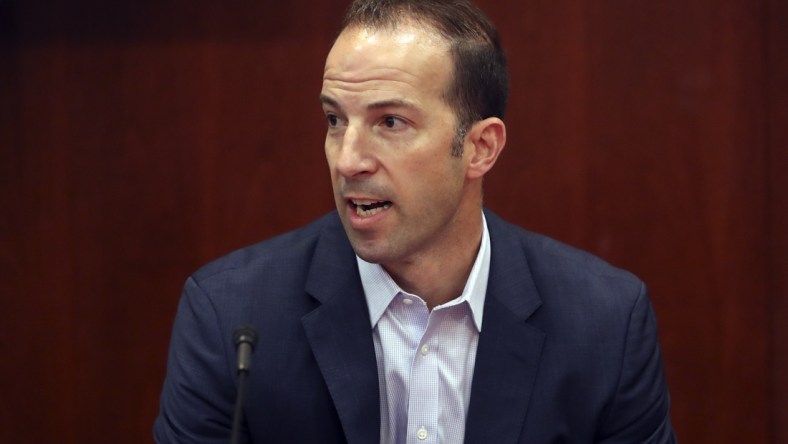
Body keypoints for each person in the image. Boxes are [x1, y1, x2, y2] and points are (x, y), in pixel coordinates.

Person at [154, 0, 677, 442]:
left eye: (390, 122)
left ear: (480, 148)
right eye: (335, 120)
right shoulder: (232, 316)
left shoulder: (605, 324)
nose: (347, 160)